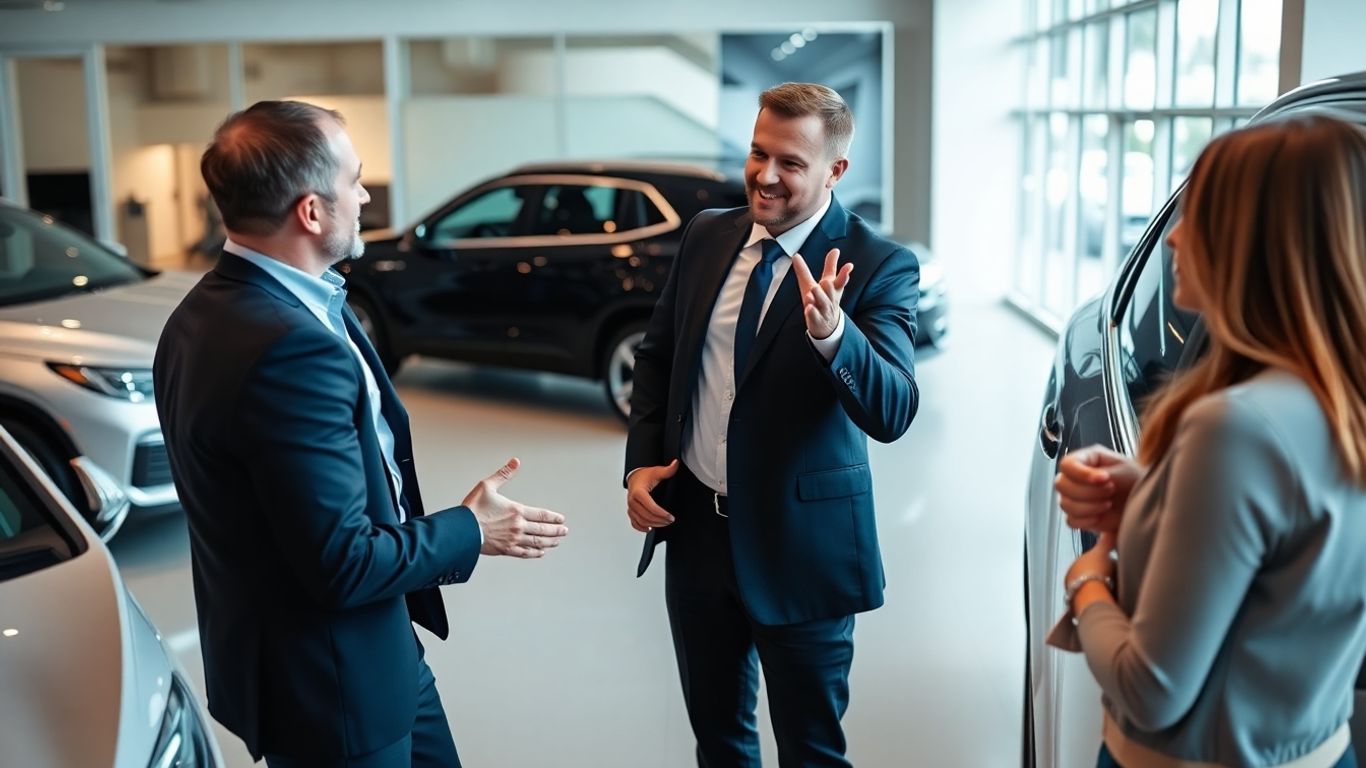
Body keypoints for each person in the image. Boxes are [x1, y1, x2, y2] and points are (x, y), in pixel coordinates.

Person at [154, 100, 569, 768]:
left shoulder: (202, 313)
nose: (366, 194)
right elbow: (341, 561)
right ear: (311, 211)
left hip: (374, 649)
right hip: (333, 685)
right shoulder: (289, 347)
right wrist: (471, 529)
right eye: (355, 179)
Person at [1049, 114, 1366, 768]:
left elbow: (1150, 690)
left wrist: (1085, 585)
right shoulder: (1340, 404)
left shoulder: (1235, 428)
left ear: (1259, 244)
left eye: (1200, 212)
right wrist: (1158, 491)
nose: (1172, 237)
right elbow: (1294, 554)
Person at [623, 82, 920, 767]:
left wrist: (836, 337)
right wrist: (640, 463)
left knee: (811, 752)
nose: (765, 175)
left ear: (834, 171)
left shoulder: (879, 265)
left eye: (790, 162)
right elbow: (658, 356)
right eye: (759, 153)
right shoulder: (707, 235)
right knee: (720, 741)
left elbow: (894, 409)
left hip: (803, 552)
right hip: (696, 533)